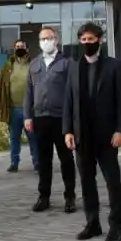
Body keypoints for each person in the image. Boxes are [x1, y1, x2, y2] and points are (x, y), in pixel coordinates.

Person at [62, 22, 121, 241]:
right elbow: (68, 102)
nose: (87, 44)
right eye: (83, 40)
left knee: (112, 181)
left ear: (99, 40)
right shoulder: (73, 67)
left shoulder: (113, 66)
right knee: (86, 181)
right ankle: (93, 223)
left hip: (107, 135)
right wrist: (67, 131)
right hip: (82, 136)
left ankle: (116, 226)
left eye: (91, 40)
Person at [24, 26, 77, 214]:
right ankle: (43, 197)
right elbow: (29, 92)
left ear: (56, 40)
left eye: (49, 38)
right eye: (42, 38)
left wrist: (72, 119)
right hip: (40, 119)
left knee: (66, 160)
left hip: (61, 119)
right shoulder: (34, 64)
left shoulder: (67, 63)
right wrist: (27, 116)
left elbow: (73, 93)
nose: (46, 41)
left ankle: (70, 197)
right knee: (44, 161)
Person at [0, 39, 39, 173]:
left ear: (26, 48)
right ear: (14, 49)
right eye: (17, 46)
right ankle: (14, 163)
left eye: (22, 46)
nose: (20, 48)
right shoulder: (8, 66)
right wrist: (0, 106)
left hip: (30, 110)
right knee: (14, 138)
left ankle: (37, 162)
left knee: (33, 138)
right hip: (13, 109)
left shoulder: (34, 64)